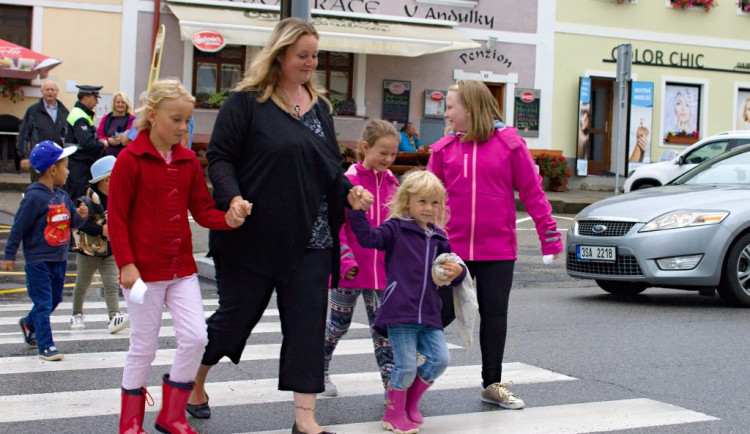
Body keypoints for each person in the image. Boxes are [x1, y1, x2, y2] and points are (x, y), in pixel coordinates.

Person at [189, 18, 372, 434]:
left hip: (314, 236)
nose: (311, 63)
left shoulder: (320, 107)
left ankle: (305, 417)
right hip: (254, 234)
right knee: (236, 319)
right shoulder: (246, 102)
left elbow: (328, 166)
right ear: (280, 55)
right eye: (303, 55)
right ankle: (193, 379)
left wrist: (349, 192)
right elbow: (219, 158)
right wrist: (232, 197)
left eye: (315, 55)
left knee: (308, 326)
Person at [107, 78, 252, 434]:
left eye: (187, 120)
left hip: (182, 269)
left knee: (196, 338)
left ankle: (171, 415)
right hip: (142, 273)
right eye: (176, 119)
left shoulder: (188, 161)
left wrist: (229, 219)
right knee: (143, 346)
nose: (183, 128)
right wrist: (126, 263)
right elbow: (117, 217)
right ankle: (130, 423)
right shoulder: (129, 159)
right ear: (153, 116)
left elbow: (203, 211)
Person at [427, 79, 563, 410]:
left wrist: (549, 236)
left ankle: (492, 384)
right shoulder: (443, 150)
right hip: (452, 248)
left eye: (450, 106)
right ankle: (408, 374)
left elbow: (532, 192)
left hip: (498, 249)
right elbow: (424, 199)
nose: (445, 113)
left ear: (470, 109)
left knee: (494, 314)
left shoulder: (510, 145)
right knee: (436, 310)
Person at [346, 169, 466, 434]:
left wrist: (459, 272)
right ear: (407, 201)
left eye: (435, 202)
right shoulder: (396, 228)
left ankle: (411, 402)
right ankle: (392, 414)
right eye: (422, 201)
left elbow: (452, 269)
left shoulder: (439, 238)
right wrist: (356, 212)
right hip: (400, 312)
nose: (429, 208)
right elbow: (368, 239)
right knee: (406, 366)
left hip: (429, 313)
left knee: (440, 359)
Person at [322, 119, 399, 398]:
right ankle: (321, 367)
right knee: (337, 325)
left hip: (382, 273)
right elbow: (338, 227)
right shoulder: (350, 183)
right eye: (383, 152)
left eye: (393, 153)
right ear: (365, 148)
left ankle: (392, 389)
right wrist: (346, 262)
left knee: (384, 331)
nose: (389, 159)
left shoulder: (393, 183)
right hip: (350, 271)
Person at [2, 140, 88, 361]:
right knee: (43, 303)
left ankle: (28, 324)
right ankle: (46, 345)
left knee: (55, 299)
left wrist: (81, 215)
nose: (68, 172)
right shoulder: (34, 197)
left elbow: (73, 223)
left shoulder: (62, 196)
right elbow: (18, 227)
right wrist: (9, 254)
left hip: (58, 259)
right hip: (38, 261)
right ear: (52, 169)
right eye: (65, 166)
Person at [69, 155, 130, 334]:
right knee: (83, 283)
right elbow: (81, 223)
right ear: (106, 180)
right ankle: (76, 314)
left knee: (111, 283)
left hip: (110, 250)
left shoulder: (118, 198)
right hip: (89, 250)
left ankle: (114, 316)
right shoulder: (87, 201)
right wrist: (100, 229)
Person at [18, 80, 69, 182]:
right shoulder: (33, 110)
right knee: (38, 187)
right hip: (39, 158)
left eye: (52, 90)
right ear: (42, 91)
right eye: (47, 90)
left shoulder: (64, 111)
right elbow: (24, 134)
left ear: (57, 91)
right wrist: (24, 156)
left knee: (57, 189)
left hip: (57, 158)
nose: (50, 92)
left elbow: (67, 133)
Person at [65, 84, 105, 201]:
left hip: (79, 164)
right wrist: (102, 144)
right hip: (79, 166)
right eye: (95, 98)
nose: (97, 102)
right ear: (86, 98)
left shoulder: (80, 113)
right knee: (78, 200)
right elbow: (87, 144)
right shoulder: (80, 116)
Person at [96, 91, 135, 158]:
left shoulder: (132, 119)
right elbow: (98, 135)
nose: (120, 104)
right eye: (118, 102)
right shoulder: (106, 118)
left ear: (127, 104)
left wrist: (120, 139)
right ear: (114, 104)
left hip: (125, 156)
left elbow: (132, 138)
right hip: (106, 156)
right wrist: (108, 140)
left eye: (123, 102)